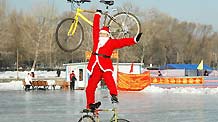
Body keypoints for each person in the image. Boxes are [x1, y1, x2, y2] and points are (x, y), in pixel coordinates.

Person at [85, 10, 142, 110]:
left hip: (105, 65)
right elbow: (95, 28)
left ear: (108, 35)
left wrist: (134, 40)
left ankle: (114, 95)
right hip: (96, 67)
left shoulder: (111, 42)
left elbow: (122, 42)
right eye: (101, 34)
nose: (101, 36)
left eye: (104, 34)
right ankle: (90, 105)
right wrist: (97, 15)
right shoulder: (96, 40)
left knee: (109, 79)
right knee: (90, 87)